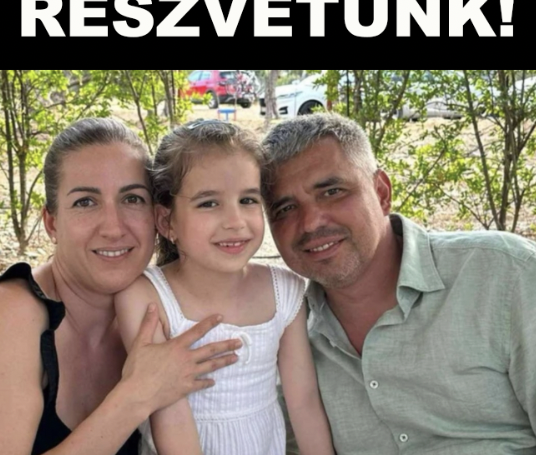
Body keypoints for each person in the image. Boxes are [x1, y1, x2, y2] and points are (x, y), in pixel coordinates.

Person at [260, 112, 536, 455]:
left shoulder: (503, 274)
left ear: (381, 192)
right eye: (285, 209)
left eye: (332, 191)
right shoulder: (284, 334)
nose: (311, 222)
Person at [0, 117, 243, 455]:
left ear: (158, 218)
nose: (113, 228)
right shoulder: (13, 313)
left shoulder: (161, 308)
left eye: (132, 199)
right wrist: (138, 394)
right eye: (85, 202)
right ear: (52, 223)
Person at [113, 118, 335, 455]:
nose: (235, 221)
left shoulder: (285, 291)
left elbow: (303, 401)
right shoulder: (146, 297)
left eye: (247, 200)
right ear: (166, 220)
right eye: (209, 203)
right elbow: (169, 415)